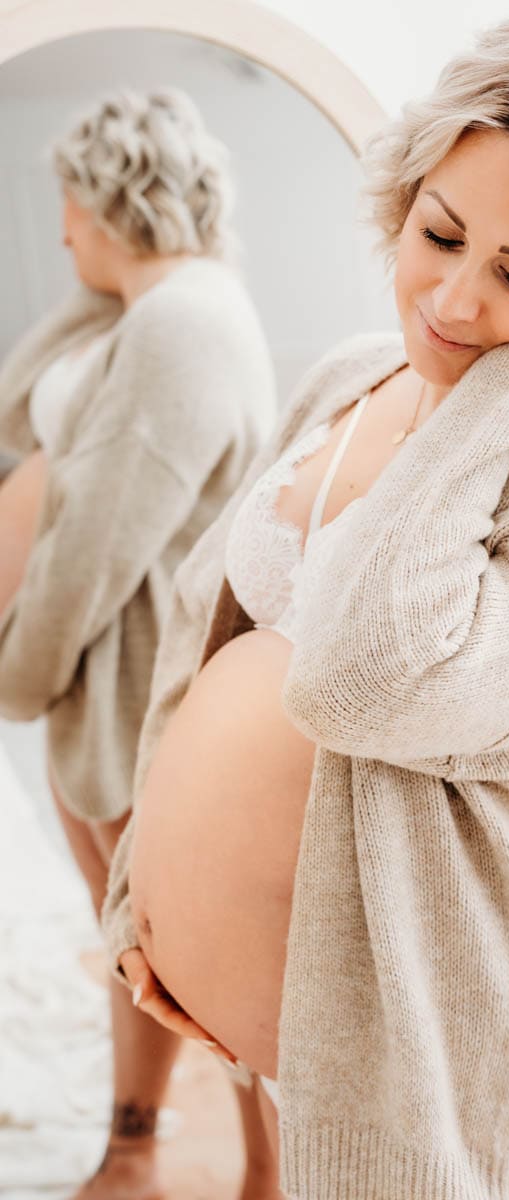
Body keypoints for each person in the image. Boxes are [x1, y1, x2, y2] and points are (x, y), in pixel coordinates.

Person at [101, 16, 509, 1200]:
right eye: (438, 232)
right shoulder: (356, 373)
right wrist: (151, 888)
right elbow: (211, 634)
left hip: (447, 1066)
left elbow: (366, 681)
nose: (449, 297)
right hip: (302, 1039)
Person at [0, 88, 279, 1199]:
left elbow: (99, 545)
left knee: (189, 947)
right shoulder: (145, 310)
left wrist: (14, 675)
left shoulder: (184, 324)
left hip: (126, 686)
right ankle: (132, 1149)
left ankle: (248, 1172)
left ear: (109, 198)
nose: (61, 228)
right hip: (97, 689)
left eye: (70, 201)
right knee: (137, 940)